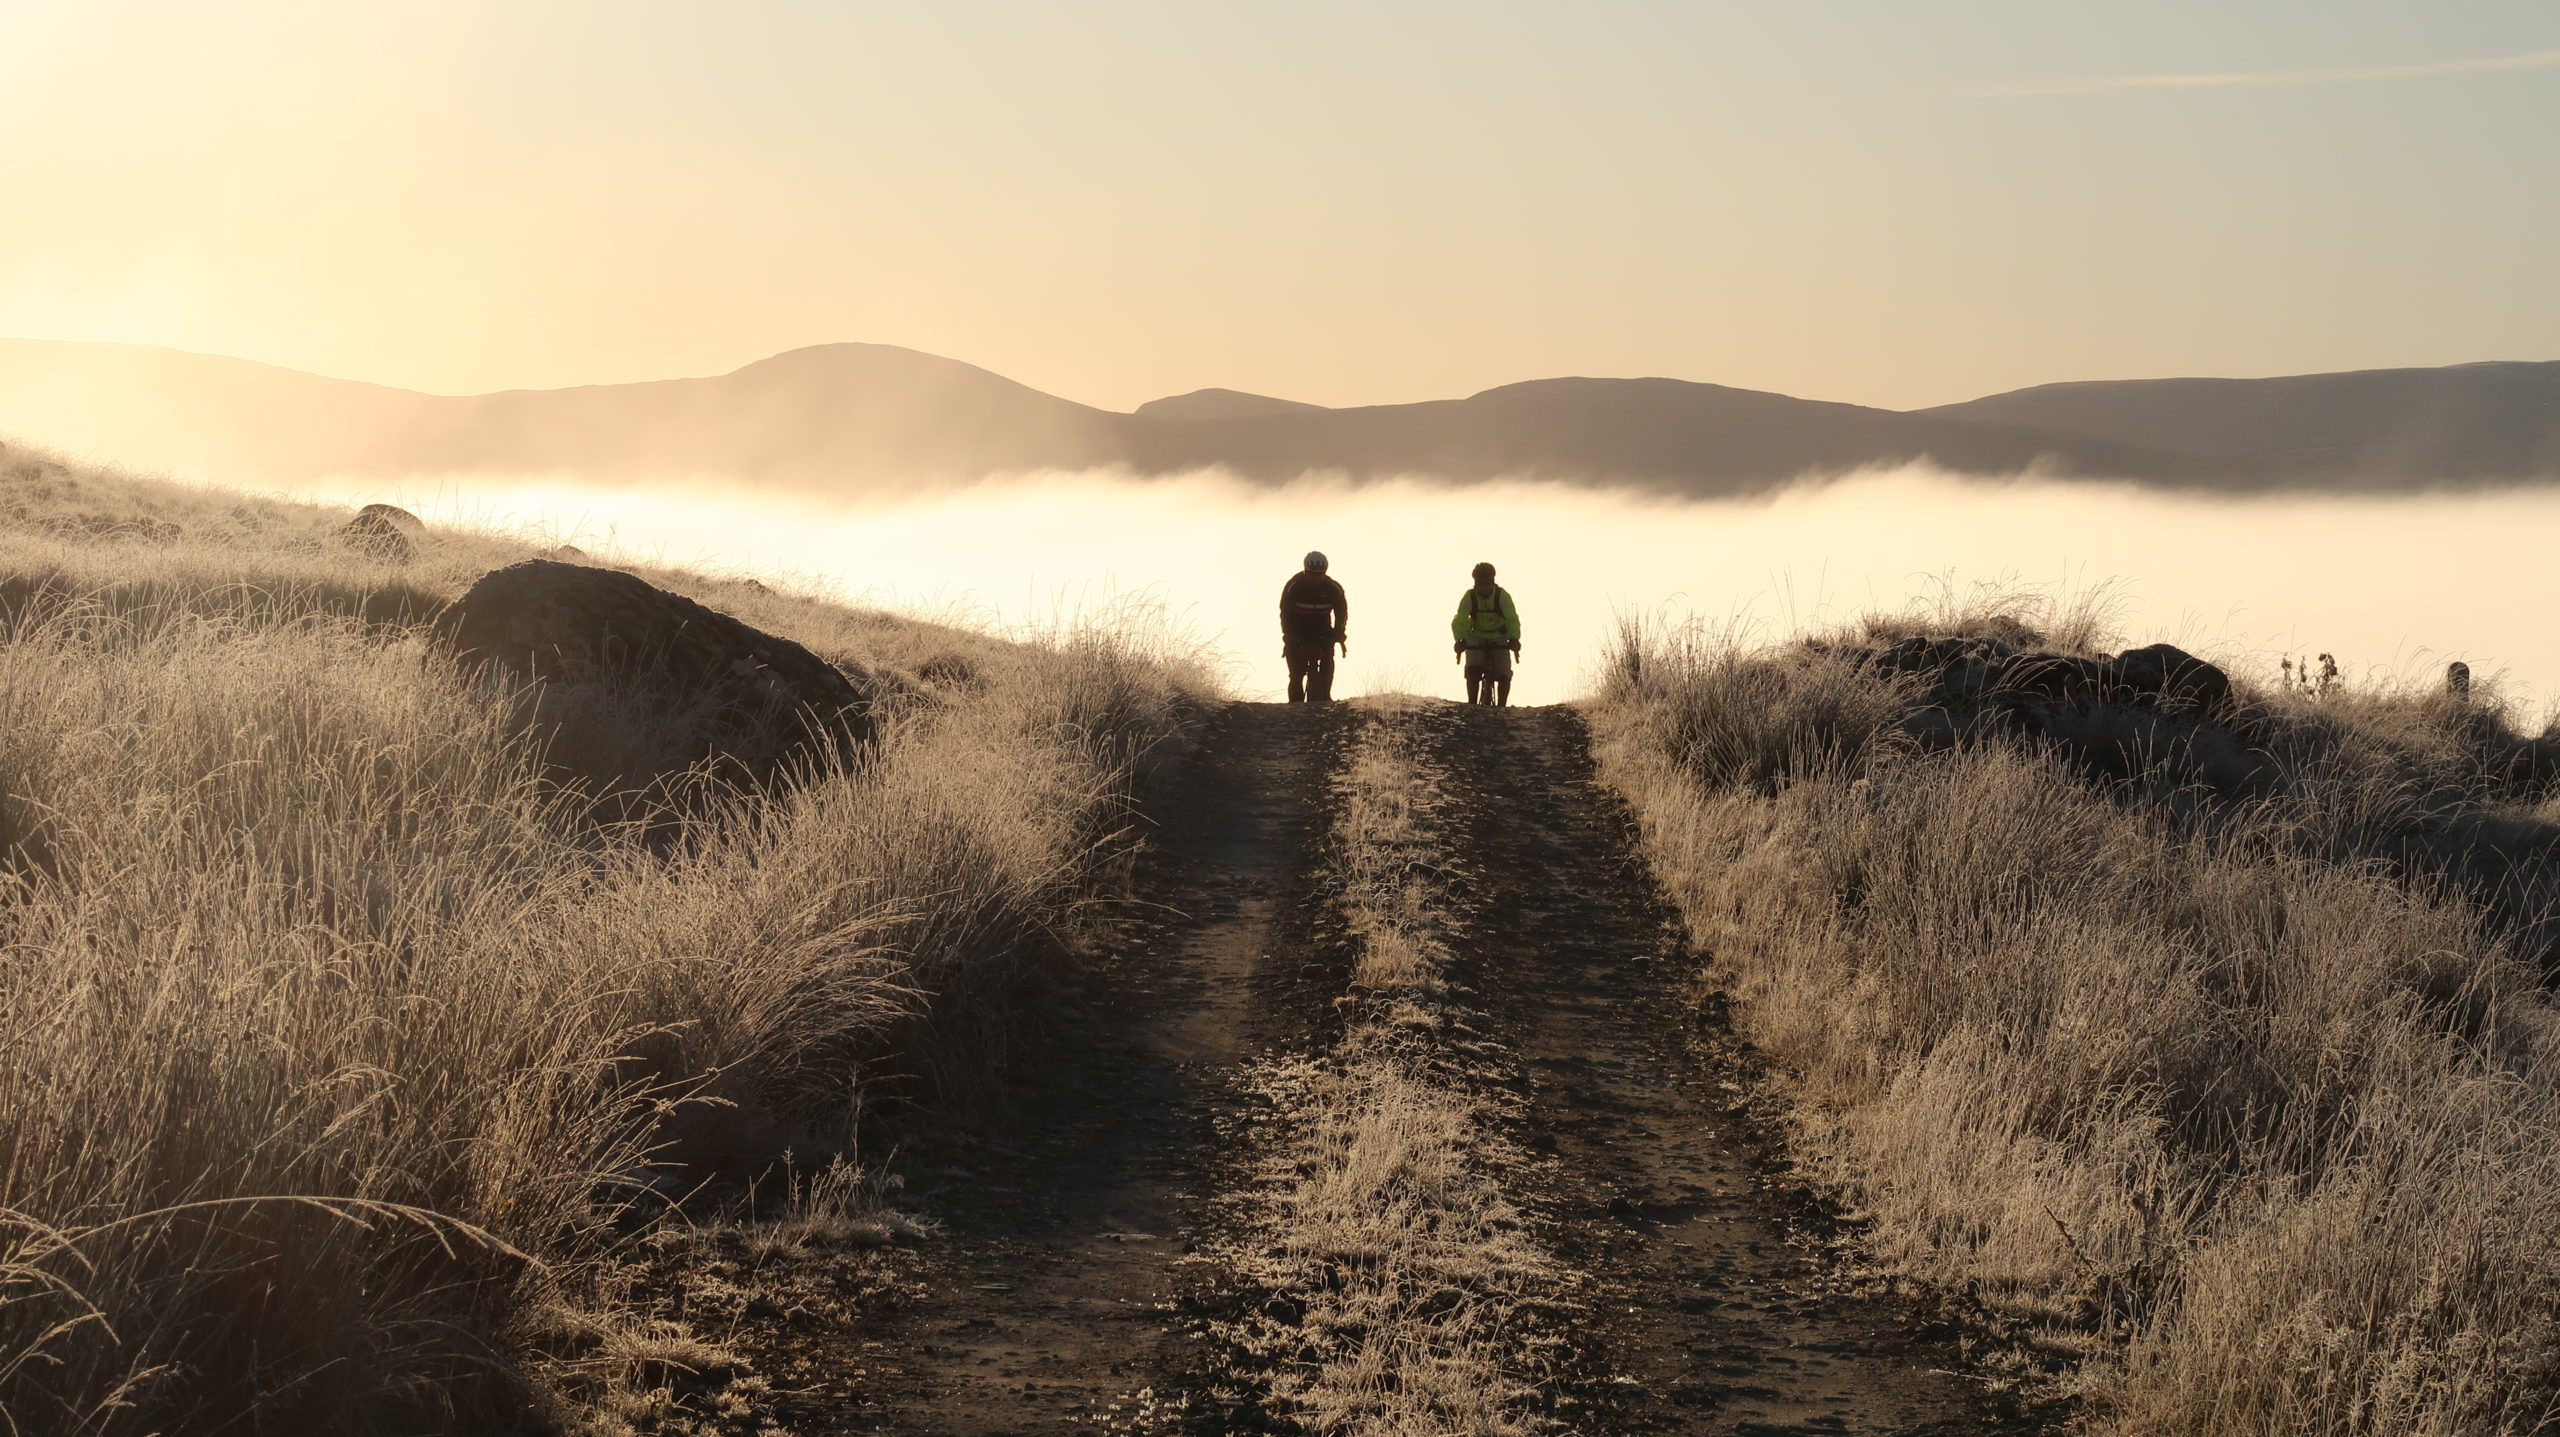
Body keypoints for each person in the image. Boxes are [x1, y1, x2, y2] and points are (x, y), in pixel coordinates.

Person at [1280, 551, 1347, 703]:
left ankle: (1326, 695)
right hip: (1297, 629)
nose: (1316, 578)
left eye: (1320, 574)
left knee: (1328, 660)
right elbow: (1285, 613)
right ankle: (1295, 704)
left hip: (1323, 629)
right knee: (1296, 673)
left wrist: (1339, 632)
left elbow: (1342, 612)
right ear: (1305, 571)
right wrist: (1289, 634)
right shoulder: (1293, 586)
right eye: (1312, 574)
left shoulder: (1333, 588)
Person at [1451, 561, 1520, 706]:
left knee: (1504, 675)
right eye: (1479, 583)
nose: (1482, 587)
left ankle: (1502, 707)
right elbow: (1460, 619)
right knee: (1472, 671)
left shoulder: (1502, 596)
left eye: (1485, 583)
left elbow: (1512, 619)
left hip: (1499, 637)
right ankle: (1472, 705)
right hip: (1476, 636)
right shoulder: (1469, 597)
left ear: (1492, 582)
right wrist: (1460, 639)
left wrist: (1514, 638)